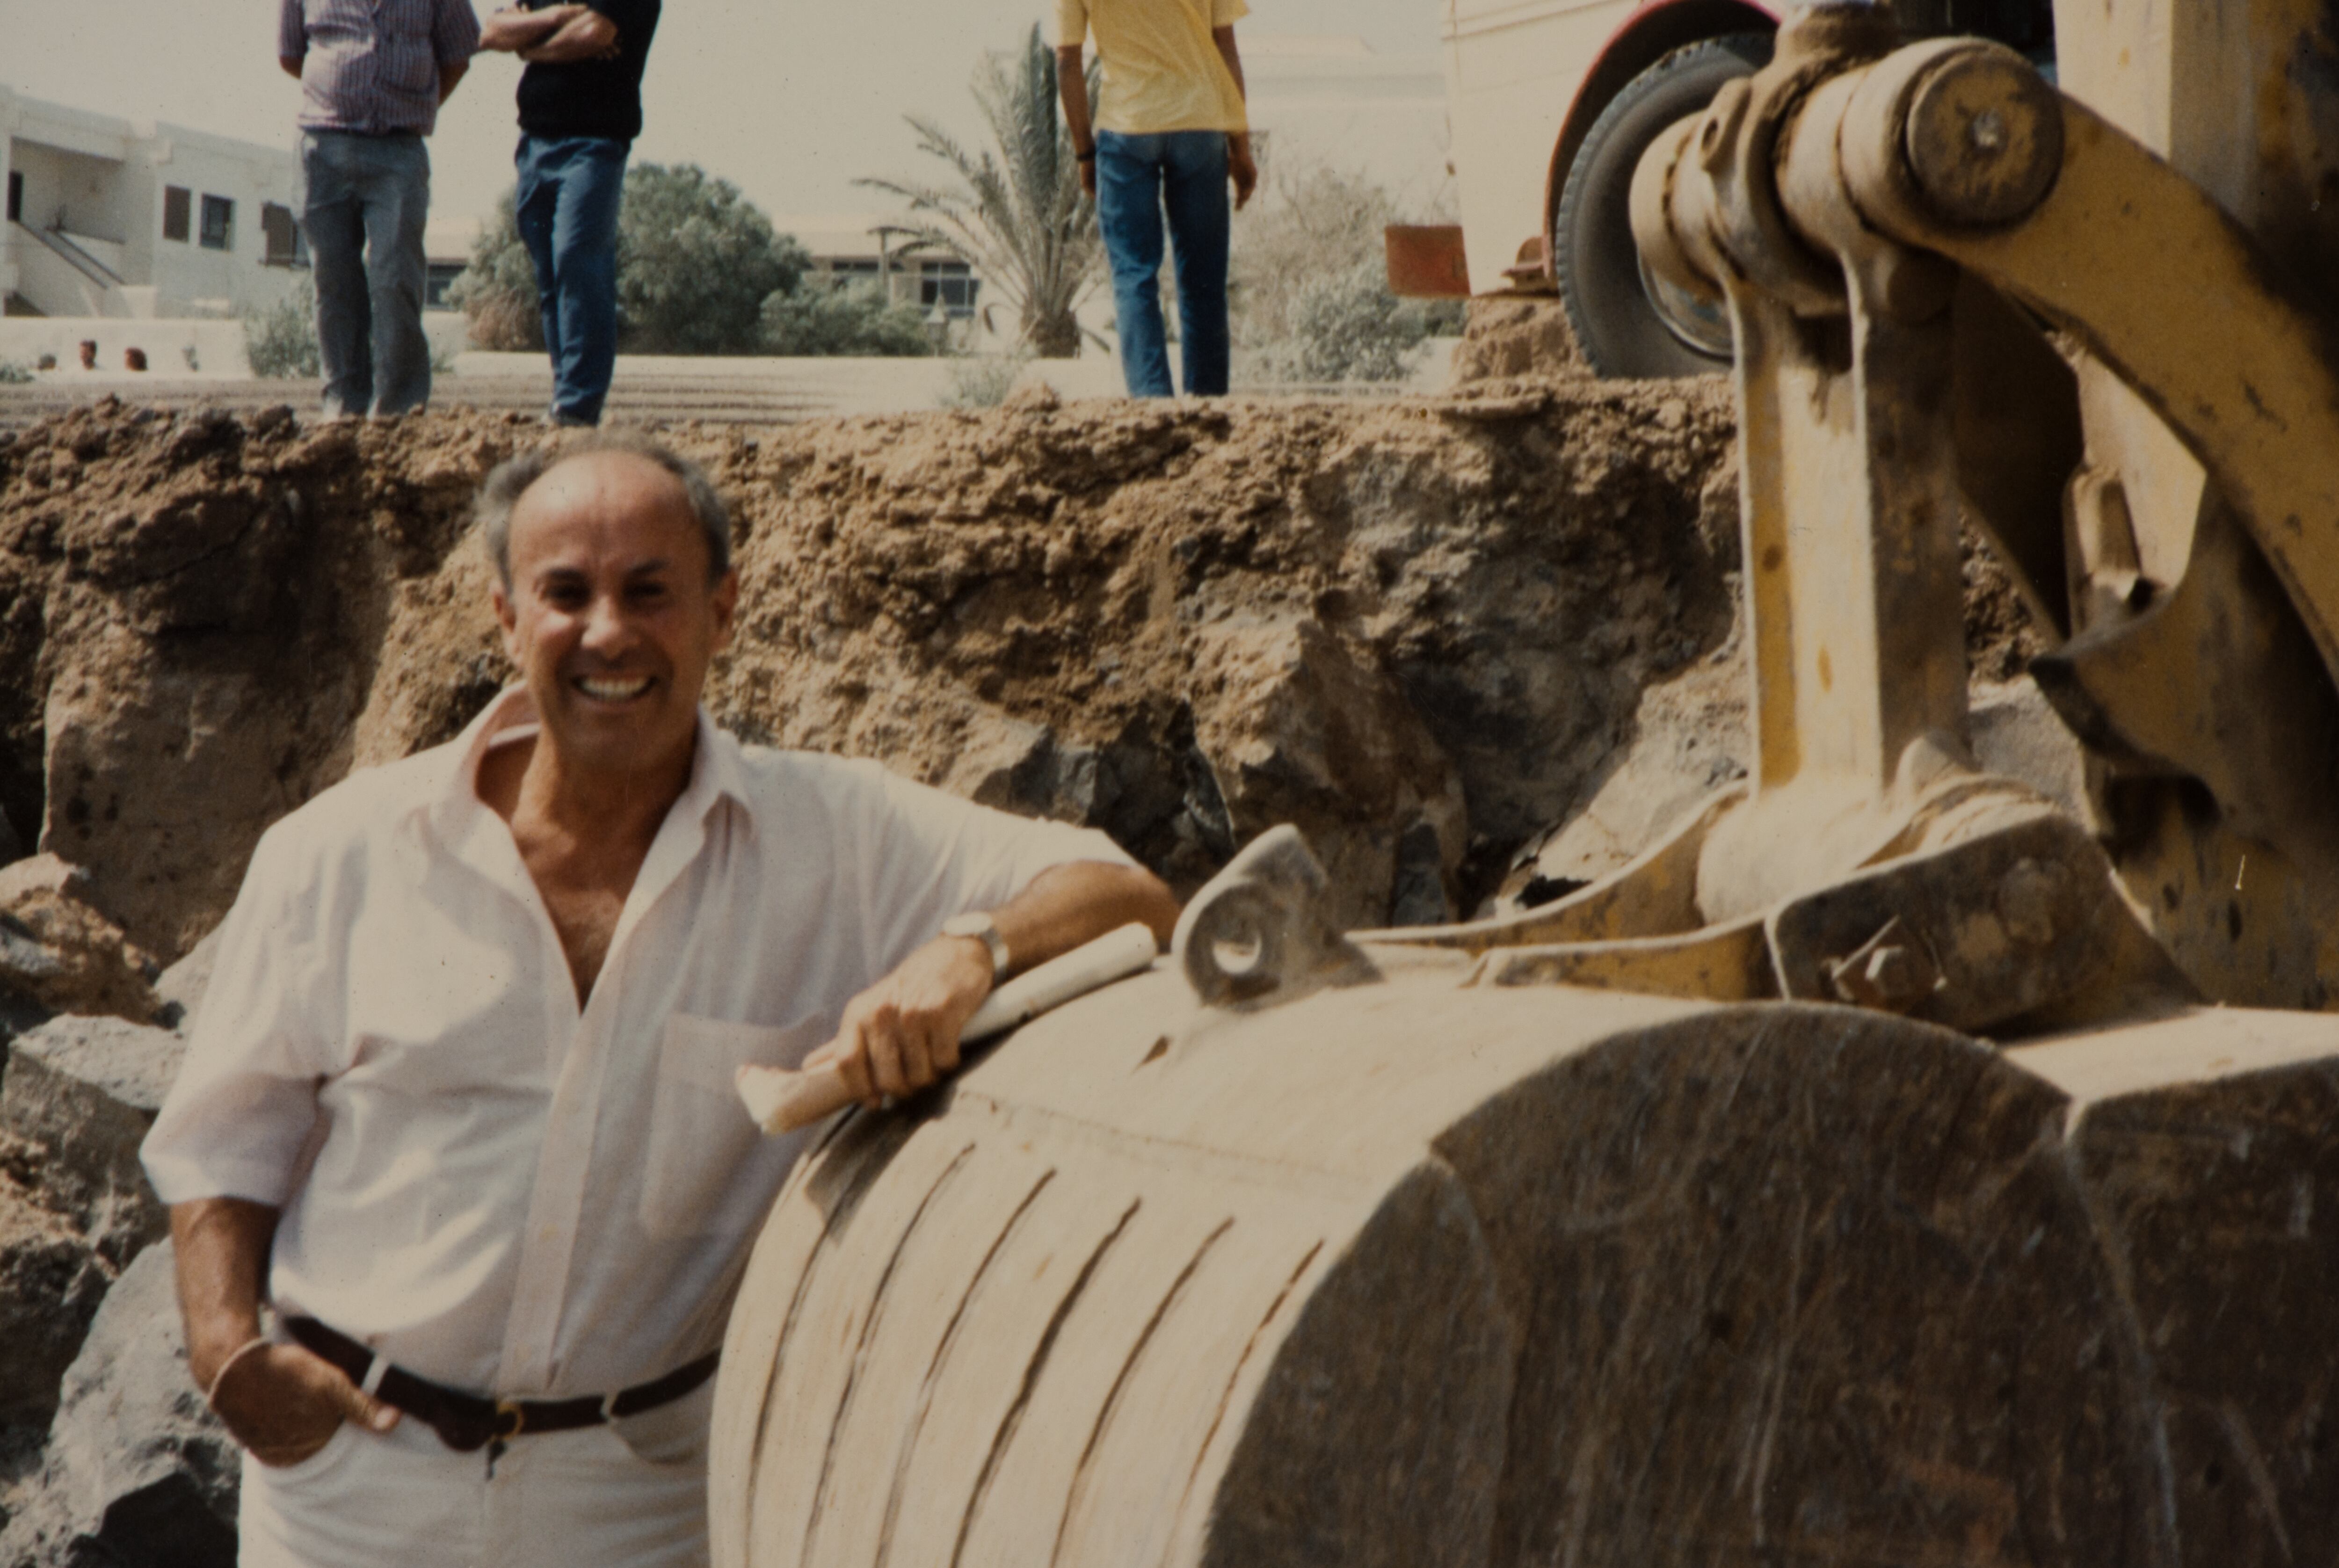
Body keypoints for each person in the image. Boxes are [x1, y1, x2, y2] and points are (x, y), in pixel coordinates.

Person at [142, 434, 1180, 1568]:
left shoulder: (833, 841)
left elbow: (1126, 890)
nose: (608, 633)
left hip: (643, 1497)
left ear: (722, 609)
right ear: (503, 615)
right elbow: (224, 1137)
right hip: (352, 1480)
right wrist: (227, 1349)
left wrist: (969, 948)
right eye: (565, 593)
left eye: (650, 591)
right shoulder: (338, 853)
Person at [279, 0, 480, 419]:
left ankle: (400, 408)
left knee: (395, 277)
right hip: (322, 147)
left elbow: (460, 53)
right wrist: (342, 90)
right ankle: (343, 405)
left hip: (398, 151)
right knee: (333, 281)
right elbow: (290, 54)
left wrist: (412, 105)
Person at [1057, 0, 1258, 399]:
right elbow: (1227, 50)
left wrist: (1084, 153)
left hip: (1127, 127)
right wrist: (1240, 146)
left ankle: (1153, 409)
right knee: (1204, 278)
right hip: (1201, 124)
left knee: (1134, 274)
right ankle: (1208, 412)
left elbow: (1067, 60)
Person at [476, 1, 661, 426]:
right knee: (549, 274)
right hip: (535, 143)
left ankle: (579, 404)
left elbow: (594, 34)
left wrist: (533, 48)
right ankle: (565, 396)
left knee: (578, 259)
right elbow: (492, 32)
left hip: (593, 144)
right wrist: (559, 17)